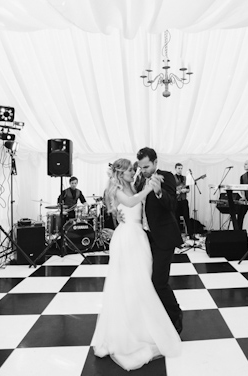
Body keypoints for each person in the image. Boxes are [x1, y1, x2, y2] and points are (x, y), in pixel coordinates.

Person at [91, 159, 181, 370]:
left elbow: (139, 207)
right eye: (130, 170)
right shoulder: (118, 189)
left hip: (140, 236)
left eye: (135, 169)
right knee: (129, 282)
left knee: (143, 281)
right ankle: (130, 331)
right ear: (120, 173)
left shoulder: (134, 185)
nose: (134, 172)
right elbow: (130, 204)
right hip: (128, 238)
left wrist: (149, 189)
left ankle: (142, 324)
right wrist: (149, 189)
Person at [134, 147, 183, 332]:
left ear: (155, 163)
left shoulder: (167, 176)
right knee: (147, 282)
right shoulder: (139, 180)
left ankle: (175, 318)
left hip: (163, 238)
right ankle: (156, 318)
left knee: (159, 282)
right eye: (141, 166)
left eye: (146, 166)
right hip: (144, 239)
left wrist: (159, 192)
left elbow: (172, 205)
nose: (143, 170)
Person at [174, 163, 195, 240]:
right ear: (175, 169)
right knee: (176, 219)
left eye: (181, 168)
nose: (180, 170)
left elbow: (188, 189)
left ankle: (191, 234)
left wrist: (184, 190)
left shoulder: (185, 178)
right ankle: (178, 237)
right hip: (176, 201)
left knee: (187, 217)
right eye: (178, 168)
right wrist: (177, 191)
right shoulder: (173, 178)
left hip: (184, 201)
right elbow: (171, 189)